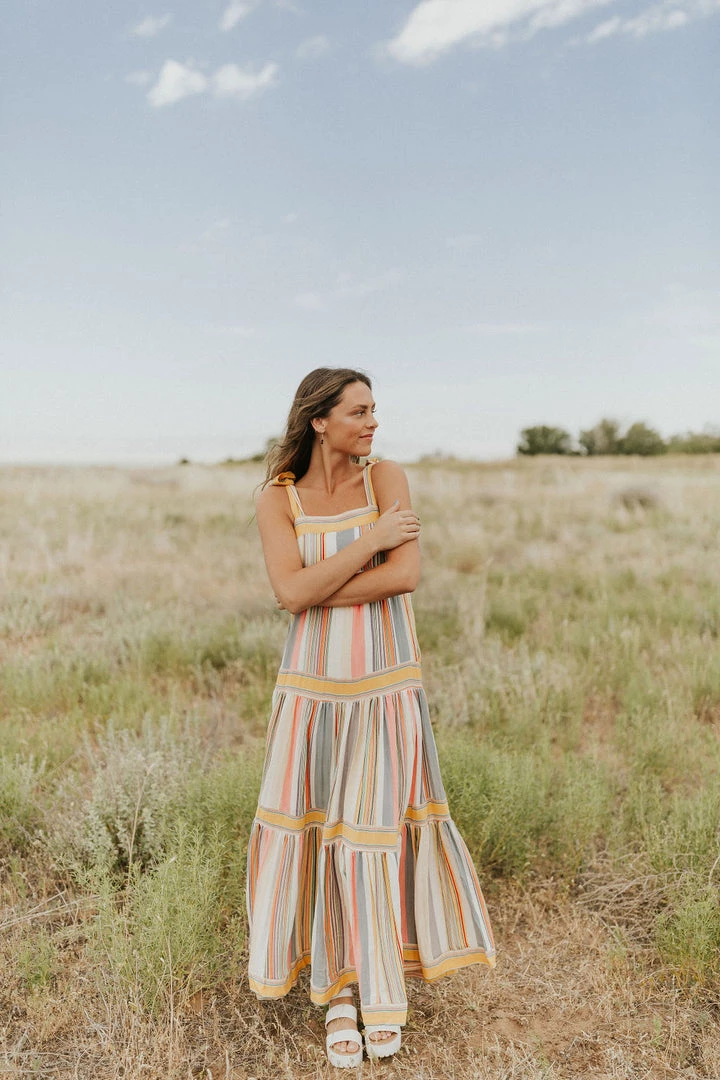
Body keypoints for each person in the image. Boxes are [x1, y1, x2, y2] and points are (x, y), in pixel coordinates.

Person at [246, 368, 495, 1067]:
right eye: (358, 412)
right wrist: (368, 543)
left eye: (374, 410)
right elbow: (288, 591)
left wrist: (313, 585)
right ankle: (340, 995)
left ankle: (382, 991)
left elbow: (403, 576)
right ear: (318, 420)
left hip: (385, 688)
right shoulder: (277, 498)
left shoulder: (386, 478)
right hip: (311, 693)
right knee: (323, 835)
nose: (373, 422)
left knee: (371, 837)